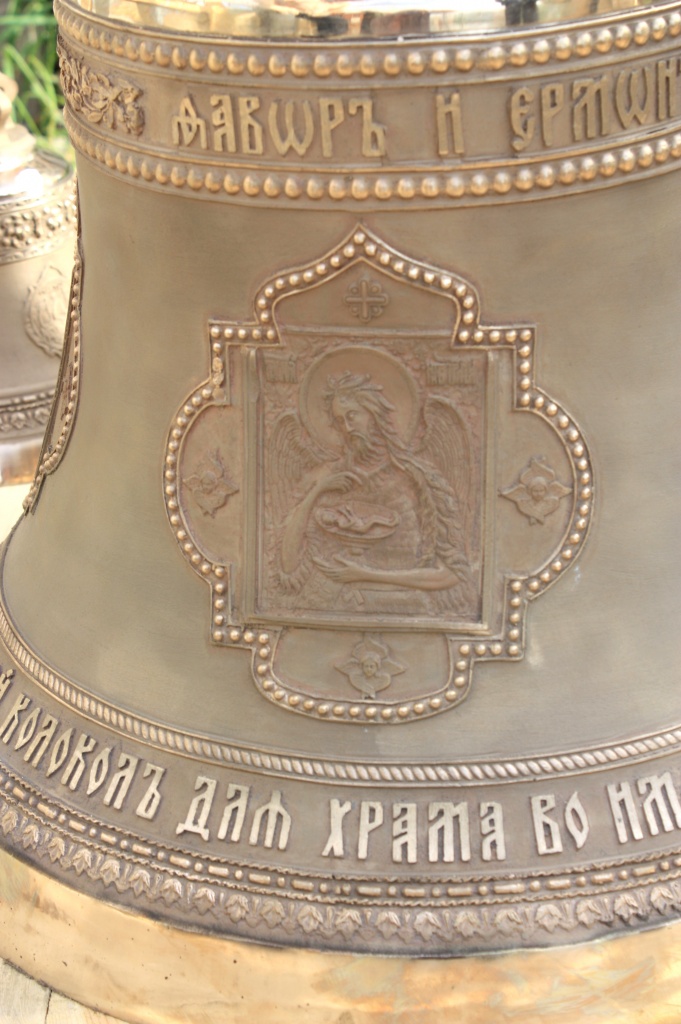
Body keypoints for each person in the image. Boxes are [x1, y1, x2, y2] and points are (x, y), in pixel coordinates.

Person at [277, 371, 475, 617]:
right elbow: (288, 565)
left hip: (402, 610)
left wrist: (364, 575)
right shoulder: (328, 477)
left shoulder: (419, 479)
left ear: (374, 414)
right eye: (339, 421)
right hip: (324, 606)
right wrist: (317, 491)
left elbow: (452, 574)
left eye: (352, 416)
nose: (347, 428)